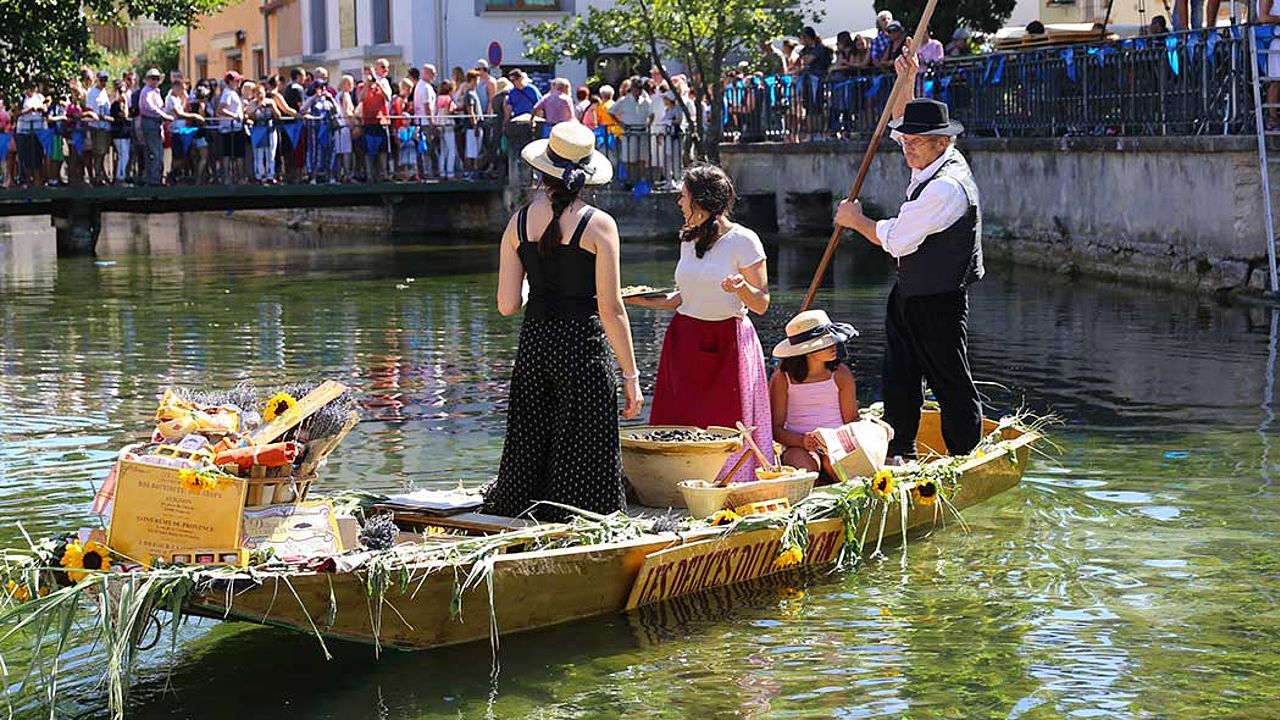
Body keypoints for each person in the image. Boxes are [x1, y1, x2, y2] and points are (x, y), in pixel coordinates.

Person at [834, 43, 985, 459]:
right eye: (906, 142)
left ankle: (964, 455)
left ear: (940, 143)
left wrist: (855, 220)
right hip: (910, 289)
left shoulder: (945, 187)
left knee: (948, 376)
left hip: (939, 297)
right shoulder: (932, 161)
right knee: (898, 374)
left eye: (917, 143)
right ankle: (900, 449)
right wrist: (908, 78)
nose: (908, 148)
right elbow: (903, 122)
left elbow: (898, 239)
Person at [483, 121, 641, 520]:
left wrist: (530, 288)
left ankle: (521, 521)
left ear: (542, 171)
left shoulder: (517, 222)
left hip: (535, 345)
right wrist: (631, 376)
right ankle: (578, 526)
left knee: (530, 441)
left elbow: (506, 305)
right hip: (582, 350)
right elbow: (611, 309)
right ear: (586, 176)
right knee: (585, 449)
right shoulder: (599, 225)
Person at [627, 164, 774, 483]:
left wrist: (741, 288)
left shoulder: (744, 241)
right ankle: (673, 484)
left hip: (727, 344)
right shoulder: (688, 239)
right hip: (684, 341)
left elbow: (761, 303)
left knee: (722, 421)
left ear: (701, 201)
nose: (679, 202)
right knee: (678, 421)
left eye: (683, 196)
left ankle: (727, 483)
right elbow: (683, 297)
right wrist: (635, 300)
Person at [769, 310, 860, 478]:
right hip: (798, 445)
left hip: (837, 443)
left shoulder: (841, 374)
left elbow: (852, 420)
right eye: (825, 343)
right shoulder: (782, 378)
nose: (834, 345)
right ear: (808, 350)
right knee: (805, 472)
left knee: (836, 467)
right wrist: (802, 441)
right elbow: (775, 429)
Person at [608, 78, 650, 187]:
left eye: (639, 88)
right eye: (635, 88)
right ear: (631, 88)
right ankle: (631, 180)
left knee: (642, 158)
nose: (637, 90)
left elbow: (651, 113)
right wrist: (620, 123)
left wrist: (649, 123)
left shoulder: (646, 101)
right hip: (629, 132)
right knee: (629, 158)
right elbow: (611, 112)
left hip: (642, 131)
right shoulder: (624, 100)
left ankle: (641, 179)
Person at [138, 68, 173, 186]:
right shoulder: (146, 91)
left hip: (156, 123)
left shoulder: (155, 92)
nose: (155, 81)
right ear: (147, 80)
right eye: (153, 78)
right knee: (156, 153)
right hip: (150, 122)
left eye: (157, 78)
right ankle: (154, 179)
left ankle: (153, 178)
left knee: (153, 152)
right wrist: (165, 116)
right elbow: (149, 108)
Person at [218, 71, 246, 185]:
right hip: (231, 128)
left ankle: (235, 178)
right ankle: (232, 178)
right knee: (232, 154)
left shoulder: (232, 93)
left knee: (232, 154)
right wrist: (235, 116)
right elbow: (220, 110)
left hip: (234, 128)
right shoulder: (228, 93)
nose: (239, 82)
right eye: (236, 80)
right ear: (230, 81)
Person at [85, 71, 112, 186]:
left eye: (105, 80)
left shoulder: (104, 92)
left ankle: (101, 175)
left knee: (103, 153)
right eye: (101, 80)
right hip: (97, 126)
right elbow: (89, 110)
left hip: (105, 127)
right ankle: (97, 178)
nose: (103, 82)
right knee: (98, 153)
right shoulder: (92, 93)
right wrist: (102, 117)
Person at [435, 78, 458, 179]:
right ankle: (450, 173)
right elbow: (449, 111)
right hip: (448, 124)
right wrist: (454, 108)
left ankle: (442, 172)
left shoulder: (438, 98)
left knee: (443, 150)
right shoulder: (448, 99)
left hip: (440, 124)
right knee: (451, 149)